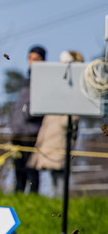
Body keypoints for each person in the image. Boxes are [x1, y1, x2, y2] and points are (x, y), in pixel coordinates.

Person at [28, 50, 84, 197]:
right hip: (50, 134)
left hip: (61, 136)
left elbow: (73, 117)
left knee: (61, 173)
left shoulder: (76, 88)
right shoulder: (56, 87)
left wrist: (66, 122)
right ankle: (55, 204)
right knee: (54, 173)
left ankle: (60, 203)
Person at [9, 45, 46, 193]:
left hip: (31, 132)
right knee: (18, 168)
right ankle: (18, 195)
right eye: (30, 58)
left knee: (31, 167)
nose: (32, 62)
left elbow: (41, 106)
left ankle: (33, 196)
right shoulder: (26, 80)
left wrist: (29, 114)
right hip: (17, 131)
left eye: (36, 59)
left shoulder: (45, 80)